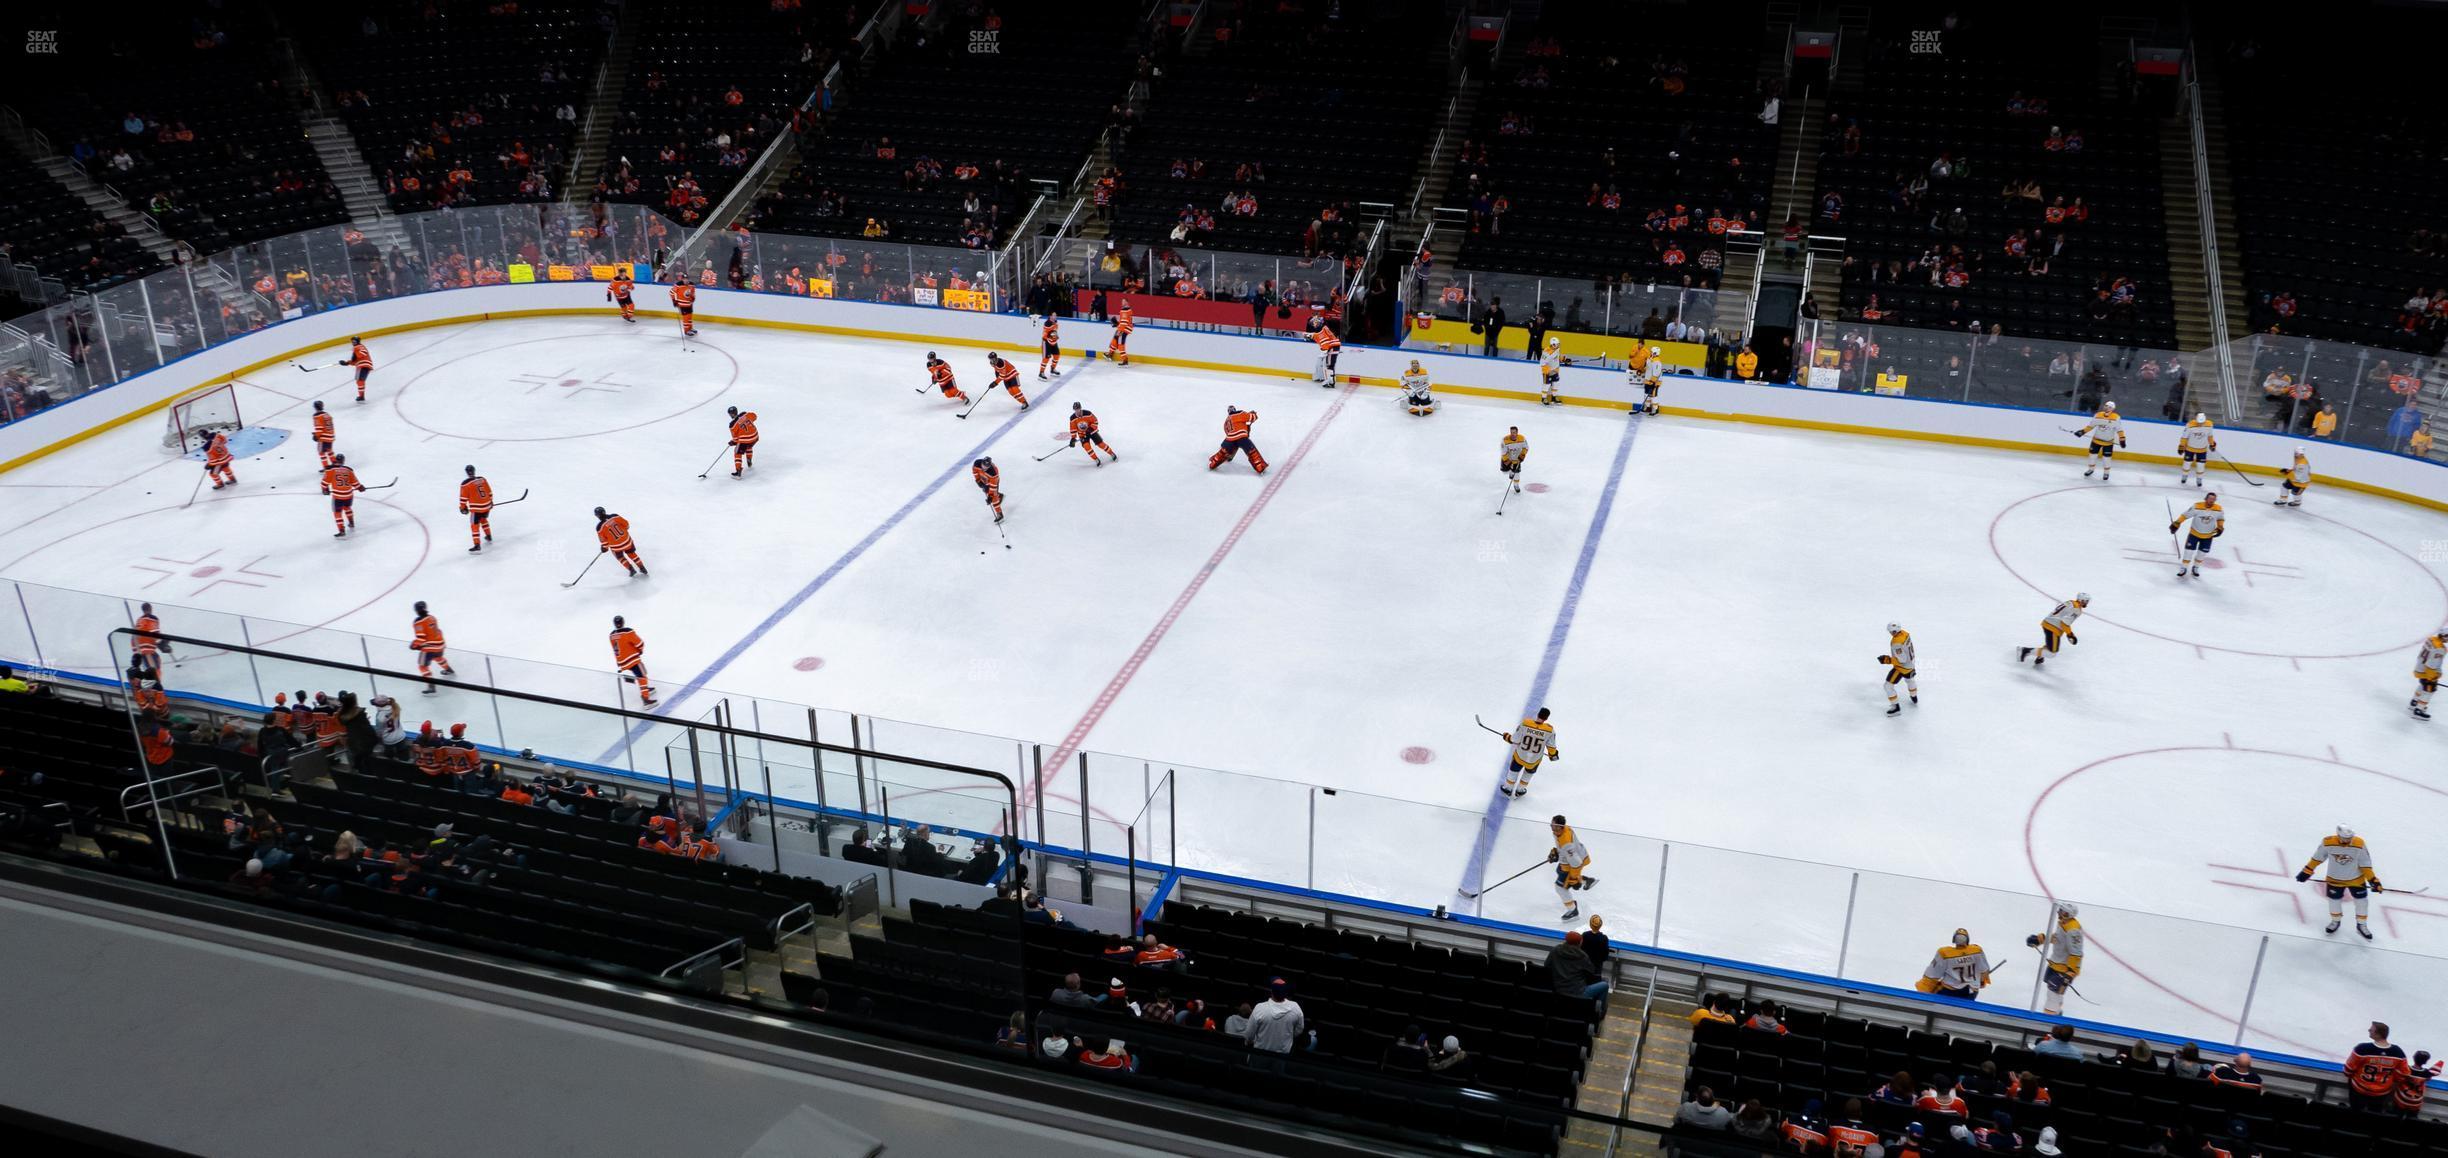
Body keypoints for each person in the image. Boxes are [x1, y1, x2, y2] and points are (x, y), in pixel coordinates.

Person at [2299, 825, 2382, 938]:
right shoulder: (2328, 842)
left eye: (2350, 837)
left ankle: (2361, 924)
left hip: (2356, 880)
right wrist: (2307, 871)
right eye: (2345, 838)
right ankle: (2335, 921)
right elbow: (2317, 858)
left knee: (2362, 902)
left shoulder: (2359, 843)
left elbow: (2365, 864)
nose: (2348, 840)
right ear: (2338, 835)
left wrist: (2373, 880)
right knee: (2334, 902)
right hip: (2334, 880)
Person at [2026, 901, 2084, 1015]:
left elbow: (2076, 953)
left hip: (2064, 968)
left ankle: (2050, 1018)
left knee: (2053, 994)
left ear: (2069, 914)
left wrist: (2071, 972)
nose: (2059, 913)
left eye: (2063, 912)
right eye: (2060, 910)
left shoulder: (2073, 930)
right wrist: (2040, 940)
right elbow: (2057, 938)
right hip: (2056, 963)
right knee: (2053, 990)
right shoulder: (2063, 923)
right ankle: (2056, 1012)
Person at [2346, 1022, 2410, 1112]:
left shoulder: (2362, 1048)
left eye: (2371, 1029)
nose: (2369, 1030)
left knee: (2356, 1111)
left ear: (2378, 1033)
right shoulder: (2398, 1052)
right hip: (2381, 1092)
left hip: (2359, 1089)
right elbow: (2404, 1074)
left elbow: (2348, 1069)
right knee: (2374, 1114)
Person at [1499, 706, 1558, 798]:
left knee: (1513, 772)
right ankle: (1520, 790)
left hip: (1520, 756)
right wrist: (1553, 755)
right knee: (1528, 774)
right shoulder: (1550, 730)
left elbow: (1515, 739)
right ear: (1546, 718)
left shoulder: (1526, 723)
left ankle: (1508, 788)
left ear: (1538, 714)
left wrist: (1507, 737)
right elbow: (1551, 747)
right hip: (1534, 760)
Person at [2017, 593, 2089, 668]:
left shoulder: (2071, 602)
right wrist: (2070, 634)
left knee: (2050, 647)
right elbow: (2064, 623)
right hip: (2053, 627)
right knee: (2052, 653)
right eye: (2085, 601)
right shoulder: (2076, 609)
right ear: (2081, 600)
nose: (2086, 603)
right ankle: (2025, 651)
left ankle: (2040, 656)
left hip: (2048, 623)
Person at [1918, 927, 1992, 999]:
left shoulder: (1945, 953)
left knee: (1936, 998)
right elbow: (1984, 971)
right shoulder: (1977, 950)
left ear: (1954, 939)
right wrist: (1981, 982)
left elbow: (1932, 974)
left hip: (1950, 991)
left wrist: (1924, 990)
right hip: (1971, 991)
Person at [2171, 491, 2225, 580]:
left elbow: (2220, 519)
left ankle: (2195, 568)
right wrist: (2177, 523)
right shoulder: (2197, 506)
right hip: (2194, 534)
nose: (2211, 500)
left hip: (2208, 536)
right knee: (2188, 552)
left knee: (2202, 554)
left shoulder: (2218, 509)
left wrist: (2220, 527)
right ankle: (2184, 568)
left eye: (2213, 499)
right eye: (2210, 498)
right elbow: (2185, 515)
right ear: (2206, 498)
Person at [1548, 814, 1593, 920]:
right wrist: (1556, 852)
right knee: (1559, 870)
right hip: (1568, 861)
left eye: (1553, 825)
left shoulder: (1566, 843)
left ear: (1559, 826)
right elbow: (1562, 848)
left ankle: (1572, 910)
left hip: (1572, 865)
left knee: (1560, 888)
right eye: (1551, 824)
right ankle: (1585, 881)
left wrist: (1573, 878)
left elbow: (1576, 862)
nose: (1551, 826)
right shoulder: (1560, 831)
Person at [1243, 978, 1305, 1055]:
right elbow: (1299, 1029)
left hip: (1259, 1054)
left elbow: (1249, 1034)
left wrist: (1249, 1042)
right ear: (1285, 992)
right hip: (1282, 1055)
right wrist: (1288, 1035)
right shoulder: (1295, 1008)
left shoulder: (1260, 1008)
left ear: (1271, 991)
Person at [1546, 930, 1607, 1006]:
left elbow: (1547, 966)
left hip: (1558, 989)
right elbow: (1592, 972)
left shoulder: (1555, 950)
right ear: (1580, 943)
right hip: (1579, 993)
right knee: (1604, 985)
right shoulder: (1583, 956)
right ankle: (1598, 1011)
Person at [2077, 400, 2126, 479]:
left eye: (2109, 407)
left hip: (2108, 443)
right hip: (2096, 441)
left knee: (2106, 459)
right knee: (2092, 456)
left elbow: (2119, 430)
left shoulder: (2116, 417)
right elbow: (2090, 426)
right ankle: (2091, 469)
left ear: (2113, 409)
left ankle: (2106, 473)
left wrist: (2122, 439)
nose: (2107, 408)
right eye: (2106, 406)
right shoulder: (2098, 415)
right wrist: (2082, 432)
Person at [593, 507, 648, 577]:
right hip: (627, 541)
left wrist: (604, 548)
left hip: (616, 547)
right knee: (631, 553)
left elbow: (604, 541)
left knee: (620, 557)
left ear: (597, 515)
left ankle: (631, 569)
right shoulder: (615, 516)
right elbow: (626, 525)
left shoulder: (599, 527)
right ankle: (642, 568)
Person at [1209, 406, 1266, 474]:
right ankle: (1260, 467)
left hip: (1229, 439)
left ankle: (1213, 464)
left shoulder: (1226, 421)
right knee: (1252, 452)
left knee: (1222, 453)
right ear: (1234, 410)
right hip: (1242, 437)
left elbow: (1227, 432)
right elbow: (1252, 417)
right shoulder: (1240, 413)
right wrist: (1253, 413)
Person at [1880, 623, 1920, 717]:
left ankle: (1896, 708)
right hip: (1911, 665)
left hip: (1902, 667)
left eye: (1891, 631)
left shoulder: (1896, 643)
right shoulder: (1905, 633)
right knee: (1910, 680)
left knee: (1888, 686)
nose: (1890, 633)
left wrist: (1888, 660)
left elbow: (1902, 659)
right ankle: (1914, 696)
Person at [725, 406, 759, 477]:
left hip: (745, 440)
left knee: (737, 453)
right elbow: (755, 416)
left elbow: (735, 439)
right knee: (749, 446)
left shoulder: (732, 425)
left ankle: (738, 470)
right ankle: (749, 460)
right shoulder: (745, 414)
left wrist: (732, 442)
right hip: (755, 437)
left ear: (731, 414)